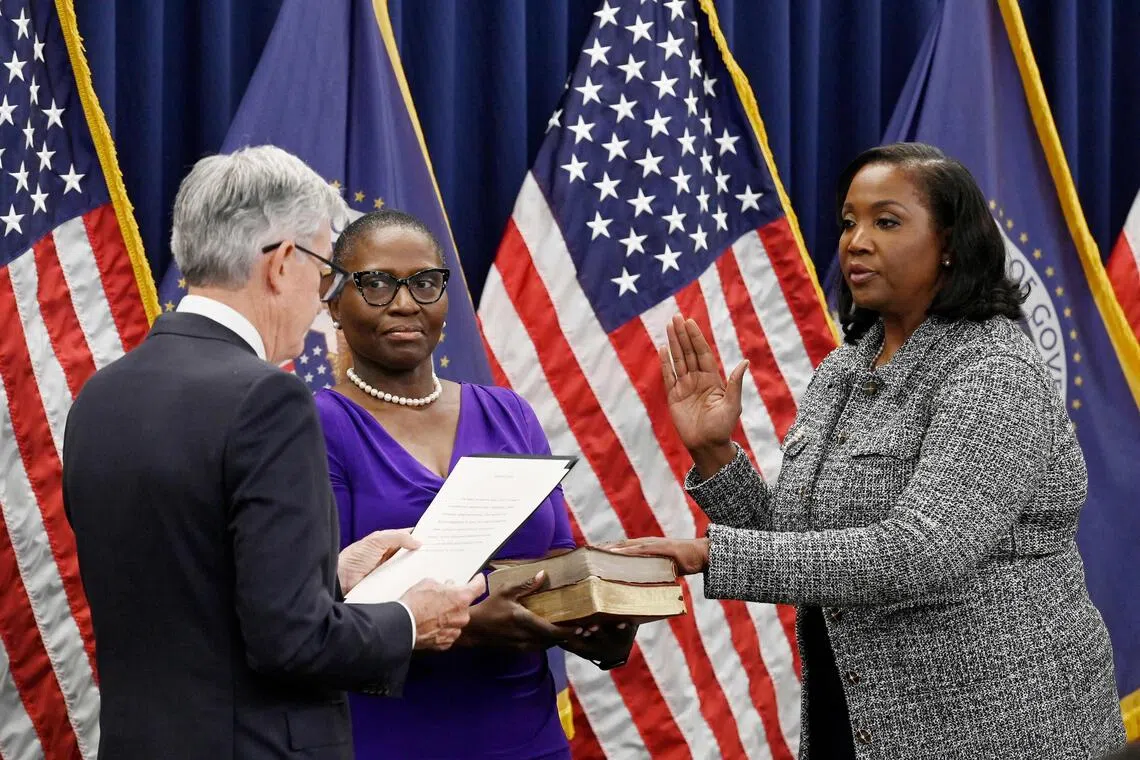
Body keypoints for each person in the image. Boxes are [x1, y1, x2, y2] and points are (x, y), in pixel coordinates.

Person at [613, 143, 1127, 758]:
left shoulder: (992, 368)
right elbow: (795, 542)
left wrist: (707, 554)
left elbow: (930, 549)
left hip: (997, 726)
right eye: (849, 222)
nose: (856, 240)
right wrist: (715, 453)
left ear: (951, 246)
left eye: (886, 221)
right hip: (855, 718)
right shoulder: (844, 369)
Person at [62, 146, 484, 760]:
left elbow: (186, 587)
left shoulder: (101, 395)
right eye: (323, 275)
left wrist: (329, 577)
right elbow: (291, 641)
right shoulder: (270, 398)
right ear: (283, 263)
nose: (323, 304)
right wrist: (411, 618)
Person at [315, 209, 635, 759]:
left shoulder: (509, 413)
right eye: (376, 284)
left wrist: (596, 621)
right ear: (333, 302)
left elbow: (556, 556)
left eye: (424, 282)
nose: (405, 302)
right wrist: (471, 624)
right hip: (387, 738)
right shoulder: (315, 424)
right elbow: (315, 607)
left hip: (527, 736)